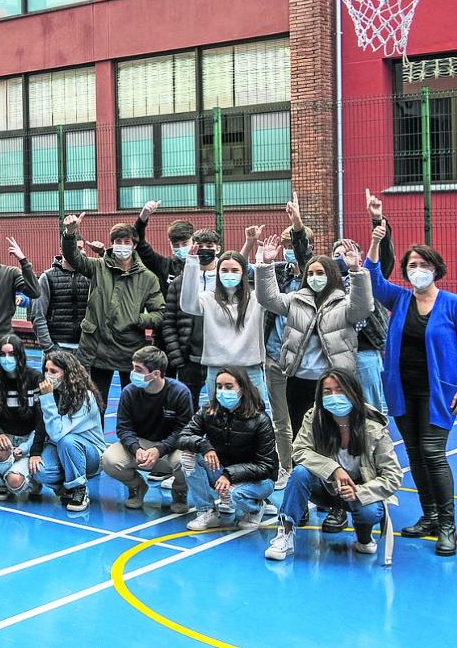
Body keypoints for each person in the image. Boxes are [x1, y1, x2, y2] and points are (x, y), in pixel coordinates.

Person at [367, 227, 457, 555]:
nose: (416, 269)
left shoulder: (450, 304)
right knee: (416, 455)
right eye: (411, 264)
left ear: (436, 269)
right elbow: (373, 279)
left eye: (423, 264)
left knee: (433, 453)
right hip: (403, 391)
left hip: (439, 394)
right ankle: (430, 516)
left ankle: (448, 525)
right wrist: (376, 241)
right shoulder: (400, 299)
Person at [266, 369, 402, 560]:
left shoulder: (374, 428)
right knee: (300, 473)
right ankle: (285, 534)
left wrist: (359, 492)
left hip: (358, 493)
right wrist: (334, 469)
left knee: (371, 511)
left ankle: (364, 538)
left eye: (339, 390)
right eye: (327, 392)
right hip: (325, 487)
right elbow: (299, 450)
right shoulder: (315, 418)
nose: (333, 396)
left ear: (353, 393)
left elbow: (393, 475)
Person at [256, 236, 373, 439]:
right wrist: (266, 265)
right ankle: (301, 471)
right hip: (298, 382)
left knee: (334, 436)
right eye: (310, 273)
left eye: (320, 273)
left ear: (332, 275)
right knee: (300, 436)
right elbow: (269, 299)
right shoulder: (297, 300)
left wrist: (356, 271)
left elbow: (363, 308)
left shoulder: (344, 304)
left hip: (334, 382)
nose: (314, 277)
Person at [60, 213, 165, 414]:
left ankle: (131, 443)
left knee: (133, 404)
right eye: (118, 241)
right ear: (112, 243)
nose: (122, 245)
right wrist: (70, 233)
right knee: (94, 404)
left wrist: (138, 319)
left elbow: (159, 313)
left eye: (127, 242)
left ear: (134, 245)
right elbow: (73, 257)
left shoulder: (147, 278)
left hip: (130, 350)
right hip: (96, 347)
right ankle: (96, 444)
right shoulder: (98, 267)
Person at [177, 367, 278, 530]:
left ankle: (255, 507)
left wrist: (229, 475)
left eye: (229, 386)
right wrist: (204, 446)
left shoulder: (261, 420)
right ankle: (206, 511)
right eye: (219, 386)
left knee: (233, 495)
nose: (223, 391)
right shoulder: (208, 411)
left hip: (259, 479)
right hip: (223, 471)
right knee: (188, 455)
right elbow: (183, 437)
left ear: (243, 389)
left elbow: (265, 467)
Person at [258, 196, 314, 487]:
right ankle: (286, 465)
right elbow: (263, 294)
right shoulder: (278, 275)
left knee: (306, 418)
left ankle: (308, 466)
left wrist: (297, 225)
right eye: (287, 247)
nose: (290, 252)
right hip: (274, 356)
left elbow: (305, 256)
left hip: (303, 361)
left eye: (294, 247)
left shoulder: (312, 277)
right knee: (281, 419)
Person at [101, 347, 192, 513]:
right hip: (140, 443)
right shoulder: (129, 392)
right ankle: (137, 487)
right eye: (133, 367)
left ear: (155, 374)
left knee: (188, 462)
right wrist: (136, 449)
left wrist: (159, 449)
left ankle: (179, 490)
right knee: (109, 460)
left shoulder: (180, 393)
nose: (133, 372)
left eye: (138, 369)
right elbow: (123, 428)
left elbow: (183, 432)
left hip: (171, 447)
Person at [180, 248, 267, 407]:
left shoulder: (256, 299)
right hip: (217, 371)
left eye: (235, 270)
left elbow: (269, 295)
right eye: (224, 270)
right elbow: (186, 304)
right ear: (218, 272)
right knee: (218, 419)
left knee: (255, 417)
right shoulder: (208, 298)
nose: (229, 274)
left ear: (243, 273)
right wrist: (192, 263)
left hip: (251, 371)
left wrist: (264, 264)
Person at [29, 350, 106, 511]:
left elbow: (58, 433)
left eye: (54, 371)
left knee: (68, 441)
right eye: (46, 370)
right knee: (40, 472)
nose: (48, 375)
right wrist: (31, 452)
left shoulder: (85, 398)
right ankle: (66, 487)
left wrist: (48, 399)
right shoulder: (51, 393)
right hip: (58, 447)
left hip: (89, 454)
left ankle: (79, 488)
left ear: (67, 373)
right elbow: (42, 428)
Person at [332, 234, 390, 413]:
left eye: (347, 253)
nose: (342, 258)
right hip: (338, 354)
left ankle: (375, 440)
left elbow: (386, 258)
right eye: (337, 254)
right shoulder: (329, 285)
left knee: (371, 408)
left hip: (365, 352)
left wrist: (377, 235)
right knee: (342, 406)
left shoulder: (368, 278)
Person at [164, 229, 222, 405]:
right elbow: (169, 322)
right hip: (189, 359)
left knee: (221, 408)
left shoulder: (226, 278)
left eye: (209, 246)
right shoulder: (180, 282)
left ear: (218, 248)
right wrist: (178, 358)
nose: (204, 250)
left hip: (221, 357)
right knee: (187, 409)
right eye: (200, 246)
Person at [0, 335, 44, 501]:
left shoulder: (34, 378)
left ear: (20, 356)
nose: (7, 359)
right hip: (6, 437)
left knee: (15, 482)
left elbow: (41, 420)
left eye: (11, 354)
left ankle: (27, 480)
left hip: (28, 439)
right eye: (2, 355)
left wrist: (32, 450)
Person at [28, 236, 91, 356]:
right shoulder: (47, 277)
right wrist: (50, 349)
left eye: (81, 248)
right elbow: (38, 315)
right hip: (57, 347)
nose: (80, 251)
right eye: (76, 247)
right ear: (62, 250)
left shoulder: (90, 276)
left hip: (85, 350)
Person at [134, 201, 194, 291]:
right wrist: (143, 218)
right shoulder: (164, 265)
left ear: (193, 240)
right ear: (170, 243)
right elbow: (139, 243)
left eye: (185, 243)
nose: (181, 248)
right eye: (176, 245)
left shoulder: (205, 264)